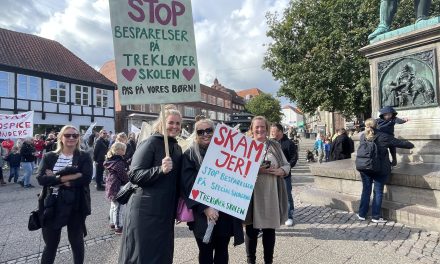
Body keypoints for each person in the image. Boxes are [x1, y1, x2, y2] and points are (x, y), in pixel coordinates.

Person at [119, 106, 183, 264]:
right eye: (171, 122)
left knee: (161, 255)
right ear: (161, 123)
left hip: (165, 211)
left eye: (178, 123)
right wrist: (160, 169)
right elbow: (134, 175)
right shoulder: (150, 143)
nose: (175, 126)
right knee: (143, 256)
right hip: (146, 211)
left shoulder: (176, 147)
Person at [181, 119, 244, 264]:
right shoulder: (190, 155)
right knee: (205, 252)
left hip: (225, 212)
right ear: (195, 134)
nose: (205, 134)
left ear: (215, 132)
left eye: (209, 130)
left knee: (222, 251)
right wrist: (205, 208)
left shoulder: (228, 151)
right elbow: (188, 184)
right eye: (200, 132)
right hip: (202, 215)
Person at [37, 125, 93, 264]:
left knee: (77, 242)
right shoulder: (49, 156)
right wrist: (66, 178)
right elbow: (41, 179)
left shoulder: (83, 156)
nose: (71, 138)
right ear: (61, 137)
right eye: (68, 135)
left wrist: (54, 178)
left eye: (75, 135)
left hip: (76, 204)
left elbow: (86, 177)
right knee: (50, 245)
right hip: (52, 204)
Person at [245, 116, 290, 264]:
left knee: (269, 230)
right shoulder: (245, 145)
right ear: (252, 129)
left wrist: (281, 171)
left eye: (262, 127)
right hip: (251, 195)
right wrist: (256, 170)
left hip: (270, 193)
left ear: (267, 128)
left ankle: (268, 261)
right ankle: (251, 260)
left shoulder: (275, 145)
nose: (259, 130)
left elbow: (286, 164)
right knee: (251, 231)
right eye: (256, 127)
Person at [357, 119, 414, 223]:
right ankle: (375, 216)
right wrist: (411, 144)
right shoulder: (384, 136)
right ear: (377, 125)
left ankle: (361, 214)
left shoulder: (362, 136)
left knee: (366, 190)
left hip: (364, 167)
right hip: (379, 169)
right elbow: (401, 143)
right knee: (378, 192)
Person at [270, 123, 298, 227]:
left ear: (280, 132)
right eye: (271, 132)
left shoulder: (289, 143)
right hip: (272, 174)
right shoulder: (269, 143)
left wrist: (285, 169)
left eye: (274, 131)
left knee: (287, 195)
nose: (272, 133)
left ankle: (289, 216)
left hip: (285, 175)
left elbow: (294, 158)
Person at [104, 142, 128, 235]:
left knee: (113, 206)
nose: (124, 151)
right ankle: (118, 227)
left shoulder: (110, 160)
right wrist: (128, 181)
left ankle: (112, 223)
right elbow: (123, 175)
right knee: (118, 208)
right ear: (119, 150)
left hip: (111, 185)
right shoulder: (119, 162)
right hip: (117, 186)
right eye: (123, 149)